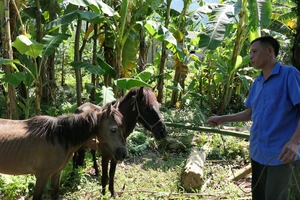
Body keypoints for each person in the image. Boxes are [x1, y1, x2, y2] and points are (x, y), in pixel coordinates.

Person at [206, 36, 300, 200]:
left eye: (254, 51)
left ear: (269, 51)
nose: (250, 56)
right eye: (250, 52)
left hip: (281, 154)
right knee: (258, 196)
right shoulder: (257, 82)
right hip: (258, 151)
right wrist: (223, 118)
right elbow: (250, 113)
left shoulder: (289, 74)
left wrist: (294, 142)